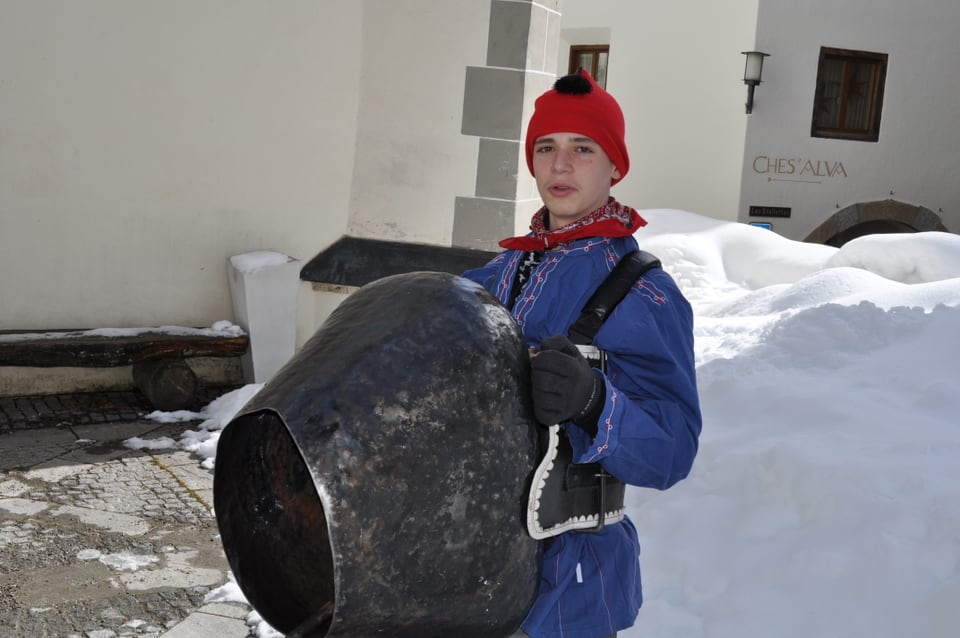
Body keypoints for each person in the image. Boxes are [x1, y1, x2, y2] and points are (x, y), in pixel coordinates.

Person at [462, 69, 702, 638]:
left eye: (582, 148)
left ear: (615, 165)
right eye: (546, 147)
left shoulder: (644, 293)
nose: (560, 165)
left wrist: (594, 401)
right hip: (466, 577)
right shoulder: (486, 279)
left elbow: (672, 451)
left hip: (568, 595)